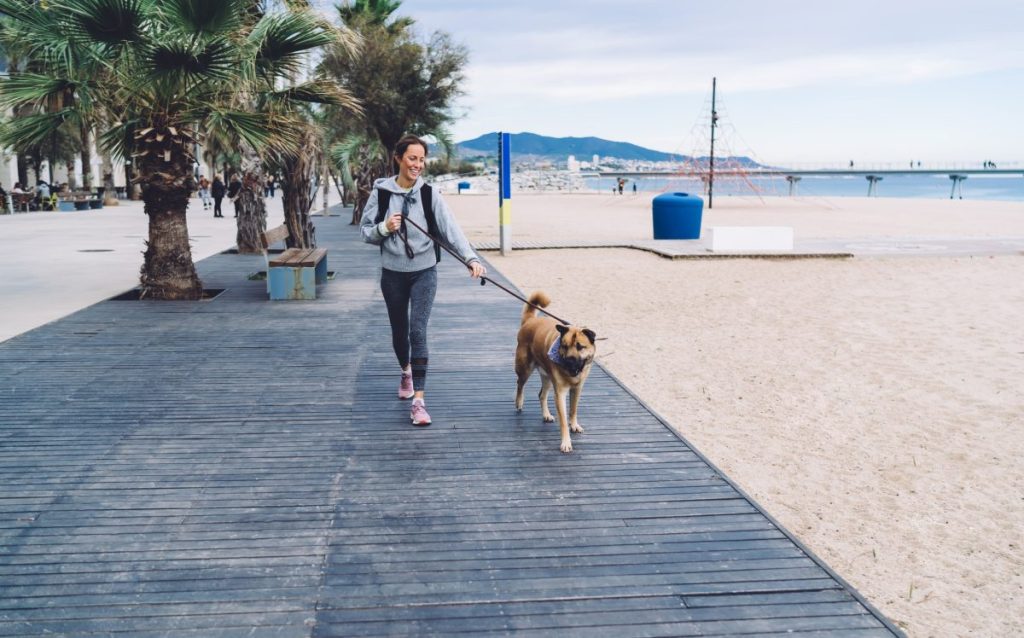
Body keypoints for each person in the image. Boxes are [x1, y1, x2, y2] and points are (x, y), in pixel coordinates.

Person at [360, 134, 486, 426]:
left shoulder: (430, 194)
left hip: (424, 271)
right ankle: (406, 370)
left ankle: (419, 401)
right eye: (412, 158)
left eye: (422, 159)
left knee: (418, 330)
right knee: (399, 331)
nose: (418, 164)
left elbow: (451, 229)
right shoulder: (381, 193)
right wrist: (384, 227)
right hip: (392, 273)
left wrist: (472, 259)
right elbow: (365, 232)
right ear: (399, 158)